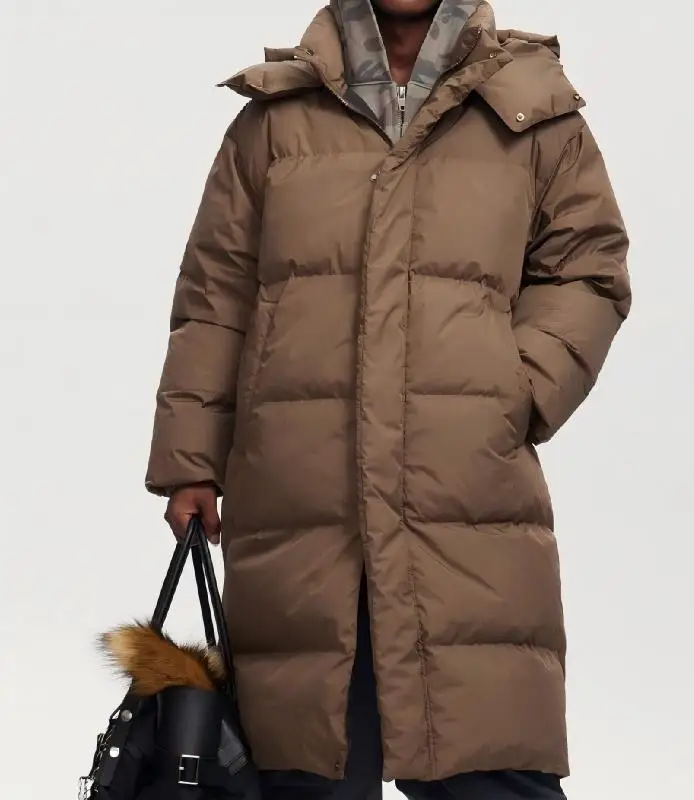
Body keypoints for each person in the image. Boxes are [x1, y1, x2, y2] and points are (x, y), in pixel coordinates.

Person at [145, 0, 631, 797]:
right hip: (302, 509)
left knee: (488, 763)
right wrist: (191, 462)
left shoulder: (533, 111)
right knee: (307, 765)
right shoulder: (275, 122)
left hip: (463, 502)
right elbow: (215, 296)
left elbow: (588, 268)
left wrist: (514, 393)